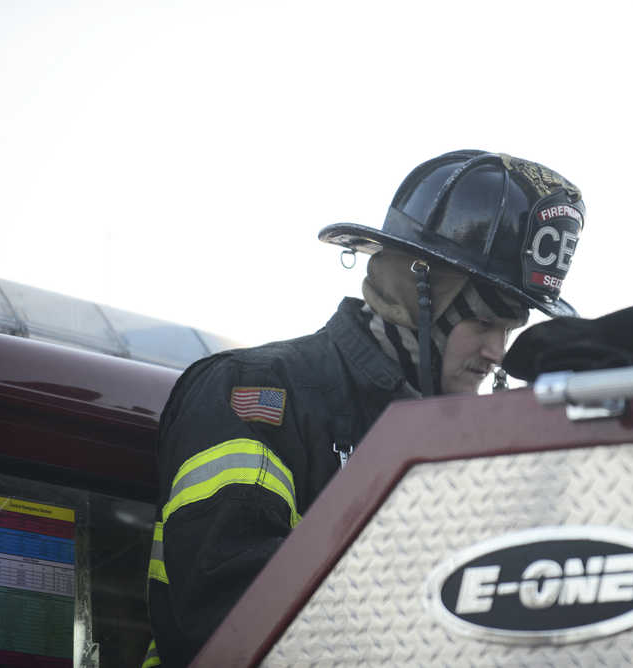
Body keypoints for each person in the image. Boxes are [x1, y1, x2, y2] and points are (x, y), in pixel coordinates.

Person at [142, 149, 586, 667]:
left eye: (509, 331)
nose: (497, 352)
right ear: (417, 293)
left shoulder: (459, 447)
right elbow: (232, 605)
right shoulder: (263, 393)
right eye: (485, 324)